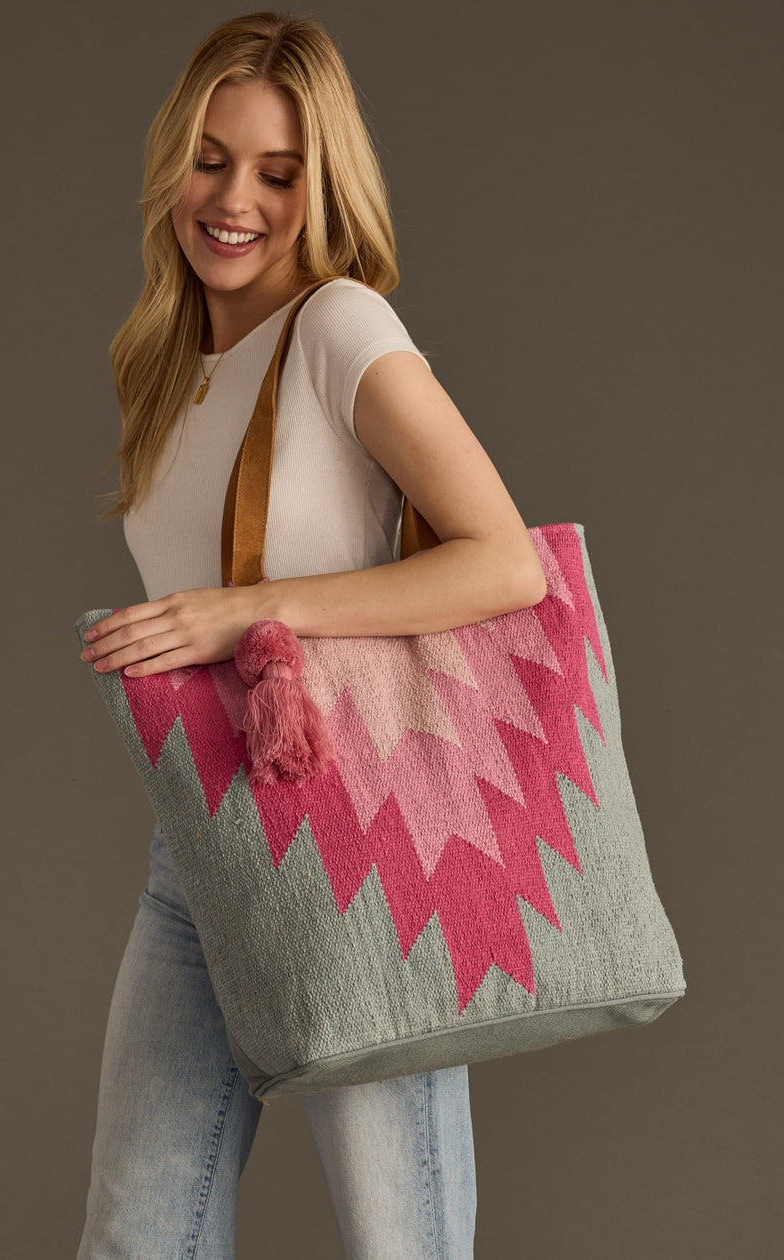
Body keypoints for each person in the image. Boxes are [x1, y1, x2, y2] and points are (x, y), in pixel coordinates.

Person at [76, 11, 547, 1259]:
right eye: (212, 158)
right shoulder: (171, 368)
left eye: (279, 173)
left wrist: (249, 610)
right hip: (202, 853)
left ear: (321, 186)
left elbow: (505, 562)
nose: (236, 199)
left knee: (407, 1245)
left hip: (362, 847)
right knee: (138, 1235)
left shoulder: (341, 329)